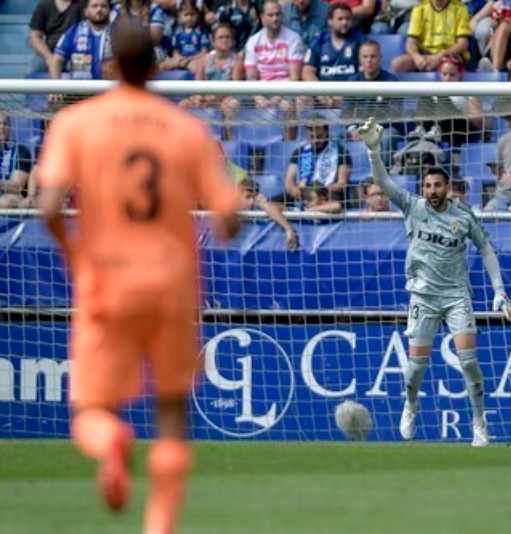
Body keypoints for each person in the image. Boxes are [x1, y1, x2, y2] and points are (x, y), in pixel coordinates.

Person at [36, 20, 240, 534]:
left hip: (106, 281)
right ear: (154, 66)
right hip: (171, 286)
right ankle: (159, 528)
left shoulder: (76, 124)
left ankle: (111, 442)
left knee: (92, 412)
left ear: (109, 67)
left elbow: (49, 208)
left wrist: (77, 258)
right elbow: (228, 217)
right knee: (171, 413)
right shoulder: (184, 128)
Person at [358, 117, 511, 447]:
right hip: (423, 297)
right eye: (428, 186)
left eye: (437, 186)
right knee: (416, 368)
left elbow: (486, 248)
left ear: (447, 188)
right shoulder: (413, 207)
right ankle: (411, 404)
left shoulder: (462, 216)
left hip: (457, 295)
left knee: (469, 362)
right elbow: (383, 182)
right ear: (423, 189)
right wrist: (374, 149)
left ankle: (479, 423)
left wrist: (499, 292)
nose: (432, 191)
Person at [390, 0, 472, 73]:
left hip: (449, 54)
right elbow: (410, 42)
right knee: (398, 64)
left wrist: (440, 56)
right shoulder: (419, 9)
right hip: (425, 54)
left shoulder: (460, 9)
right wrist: (416, 57)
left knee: (448, 67)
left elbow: (462, 44)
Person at [49, 0, 113, 80]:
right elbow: (57, 60)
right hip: (80, 88)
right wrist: (56, 86)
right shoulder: (73, 32)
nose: (99, 9)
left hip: (111, 88)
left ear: (110, 11)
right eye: (94, 6)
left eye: (103, 6)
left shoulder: (120, 33)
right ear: (86, 12)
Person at [238, 179, 300, 248]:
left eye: (254, 197)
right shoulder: (229, 210)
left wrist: (289, 229)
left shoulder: (262, 208)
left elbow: (271, 207)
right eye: (248, 197)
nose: (251, 202)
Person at [28, 0, 83, 75]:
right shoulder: (45, 4)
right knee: (32, 71)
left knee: (83, 73)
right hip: (49, 52)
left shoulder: (82, 4)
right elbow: (34, 37)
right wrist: (49, 58)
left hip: (76, 53)